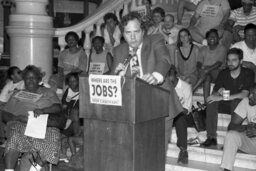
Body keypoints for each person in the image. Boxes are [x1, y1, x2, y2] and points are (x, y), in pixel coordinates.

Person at [112, 12, 183, 153]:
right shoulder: (119, 50)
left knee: (156, 154)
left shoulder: (155, 40)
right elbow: (110, 78)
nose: (132, 37)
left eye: (136, 32)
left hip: (161, 106)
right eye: (128, 33)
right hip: (134, 110)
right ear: (122, 34)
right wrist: (116, 76)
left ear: (143, 31)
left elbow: (165, 60)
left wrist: (156, 75)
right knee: (137, 154)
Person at [2, 65, 63, 171]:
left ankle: (35, 169)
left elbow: (57, 107)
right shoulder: (17, 93)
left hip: (44, 125)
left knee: (54, 136)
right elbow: (5, 114)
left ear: (39, 79)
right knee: (14, 136)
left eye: (33, 77)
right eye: (27, 78)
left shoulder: (48, 92)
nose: (30, 80)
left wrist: (44, 111)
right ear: (24, 79)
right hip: (22, 124)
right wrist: (17, 117)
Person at [200, 48, 254, 147]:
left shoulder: (248, 73)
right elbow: (216, 91)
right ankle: (211, 137)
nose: (230, 63)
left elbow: (244, 94)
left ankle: (231, 139)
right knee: (212, 102)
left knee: (236, 101)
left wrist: (221, 97)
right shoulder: (223, 73)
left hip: (239, 107)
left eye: (234, 60)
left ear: (241, 61)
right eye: (228, 60)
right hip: (225, 104)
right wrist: (216, 94)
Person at [220, 83, 256, 171]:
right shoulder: (246, 101)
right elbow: (231, 126)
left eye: (254, 94)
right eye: (250, 93)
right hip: (252, 143)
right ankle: (227, 168)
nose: (250, 96)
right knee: (231, 135)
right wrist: (246, 127)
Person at [193, 29, 227, 103]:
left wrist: (206, 70)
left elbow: (219, 63)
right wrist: (200, 69)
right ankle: (206, 102)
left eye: (215, 36)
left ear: (218, 39)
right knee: (207, 77)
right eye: (210, 36)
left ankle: (192, 90)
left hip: (217, 73)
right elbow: (199, 62)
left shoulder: (222, 48)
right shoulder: (203, 49)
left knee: (207, 74)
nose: (212, 38)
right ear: (207, 39)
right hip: (205, 73)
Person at [168, 67, 192, 164]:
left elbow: (186, 110)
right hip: (168, 116)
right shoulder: (164, 85)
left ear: (176, 75)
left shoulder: (186, 86)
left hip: (183, 116)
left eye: (171, 76)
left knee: (180, 117)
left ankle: (183, 150)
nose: (169, 81)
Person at [0, 66, 24, 145]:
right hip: (9, 106)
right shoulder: (9, 85)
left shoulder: (23, 82)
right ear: (12, 76)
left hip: (19, 106)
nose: (21, 73)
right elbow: (2, 100)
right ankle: (2, 138)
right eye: (18, 72)